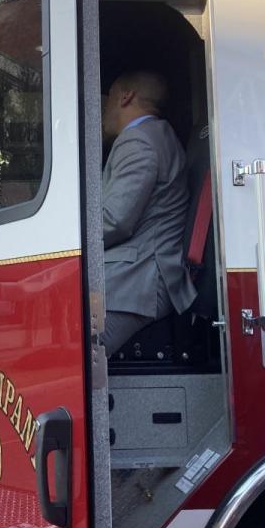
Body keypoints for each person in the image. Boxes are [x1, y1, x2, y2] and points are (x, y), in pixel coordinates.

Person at [100, 70, 197, 356]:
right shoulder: (159, 135)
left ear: (125, 97)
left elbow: (114, 220)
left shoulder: (138, 141)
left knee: (69, 350)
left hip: (137, 283)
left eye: (107, 101)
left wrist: (65, 242)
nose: (104, 110)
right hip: (140, 277)